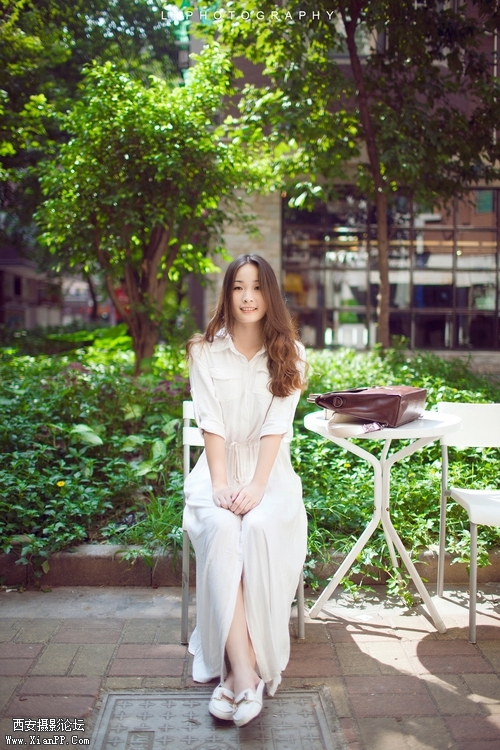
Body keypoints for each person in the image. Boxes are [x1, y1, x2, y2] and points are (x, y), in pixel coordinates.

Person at [183, 253, 307, 727]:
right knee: (220, 526)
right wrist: (219, 484)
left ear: (270, 294)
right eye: (238, 287)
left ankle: (235, 677)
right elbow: (210, 421)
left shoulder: (291, 353)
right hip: (215, 471)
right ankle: (245, 673)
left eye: (257, 287)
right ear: (227, 293)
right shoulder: (204, 351)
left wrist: (256, 486)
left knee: (257, 527)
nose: (248, 297)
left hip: (269, 474)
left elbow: (277, 426)